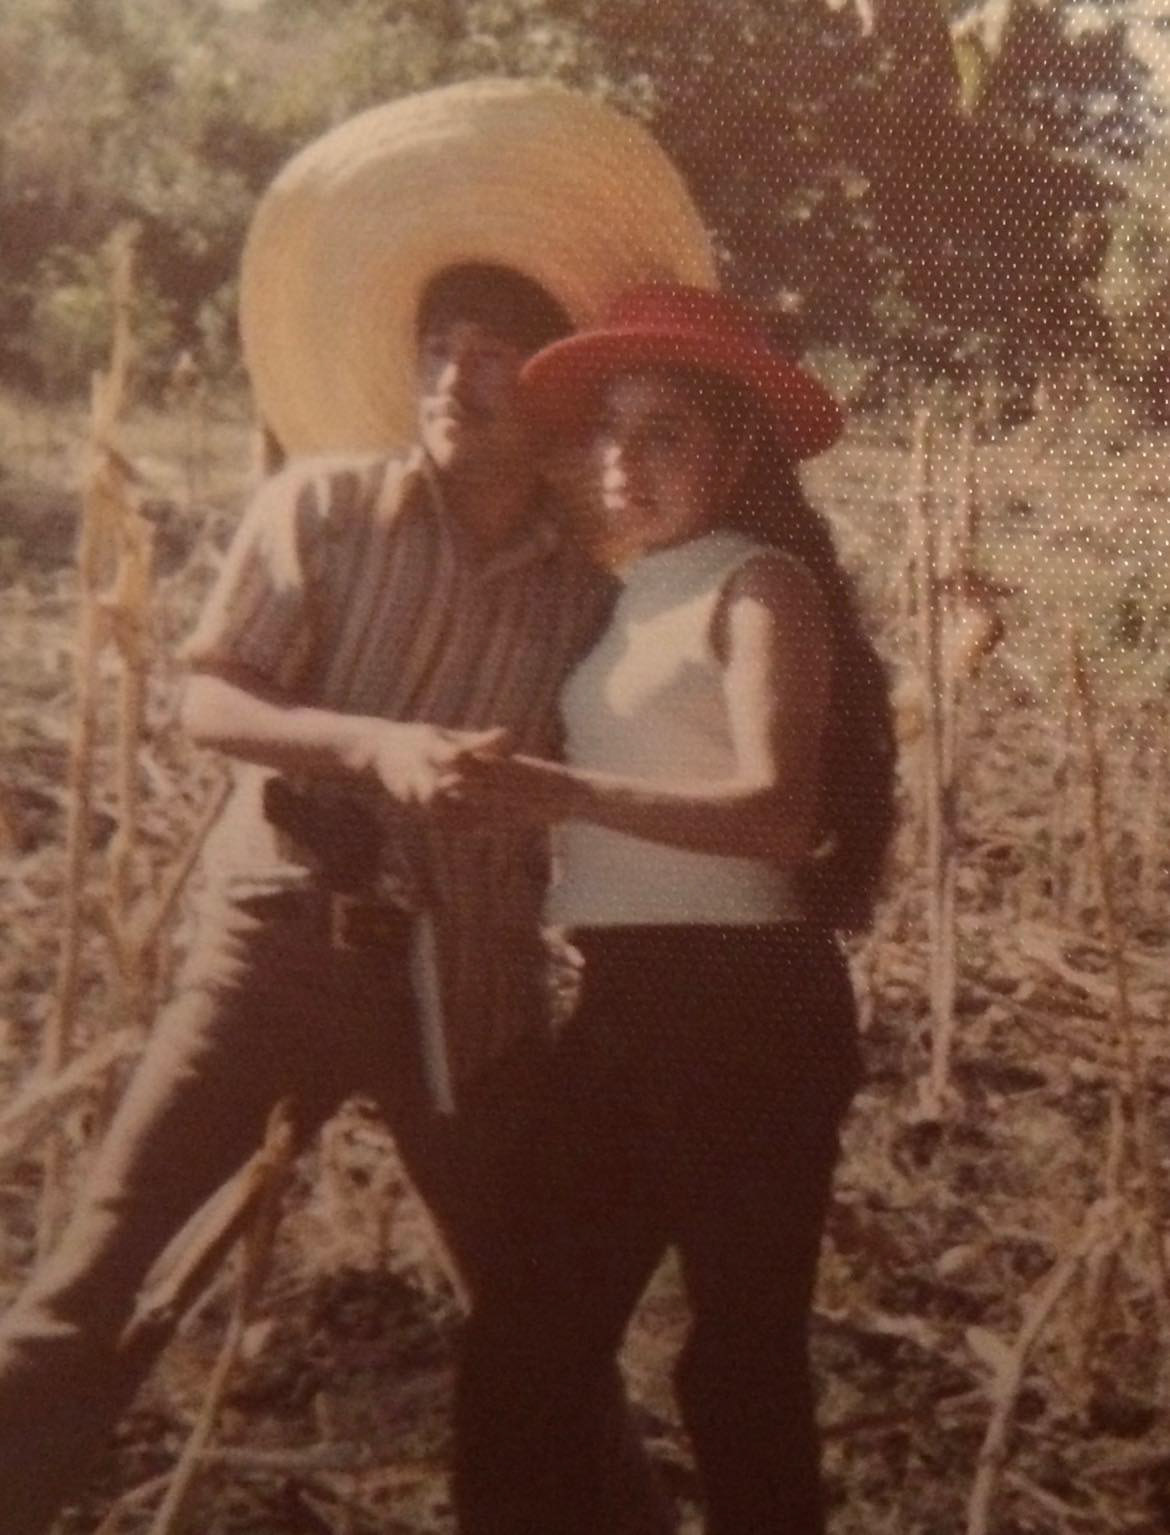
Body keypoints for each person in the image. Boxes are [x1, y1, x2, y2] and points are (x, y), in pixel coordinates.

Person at [0, 261, 676, 1535]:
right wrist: (374, 747)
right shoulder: (322, 508)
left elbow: (619, 787)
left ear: (550, 395)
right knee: (98, 1278)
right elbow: (212, 698)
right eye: (439, 347)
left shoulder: (589, 601)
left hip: (470, 985)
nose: (454, 379)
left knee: (546, 1323)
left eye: (493, 356)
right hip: (281, 952)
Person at [450, 284, 898, 1535]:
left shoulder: (762, 585)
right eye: (606, 430)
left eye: (664, 434)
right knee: (526, 1341)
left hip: (748, 1007)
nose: (622, 462)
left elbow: (777, 814)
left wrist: (558, 791)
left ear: (738, 448)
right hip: (629, 998)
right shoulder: (637, 589)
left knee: (738, 1364)